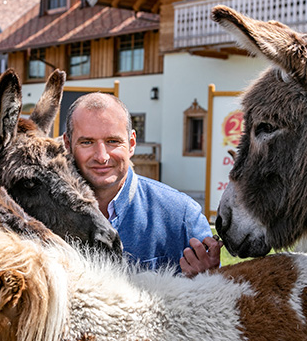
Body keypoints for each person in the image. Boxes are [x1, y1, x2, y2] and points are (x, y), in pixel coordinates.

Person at [63, 92, 222, 277]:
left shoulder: (182, 218)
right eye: (87, 142)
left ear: (131, 143)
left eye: (112, 141)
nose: (102, 156)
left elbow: (218, 297)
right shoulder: (42, 218)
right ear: (67, 145)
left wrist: (207, 280)